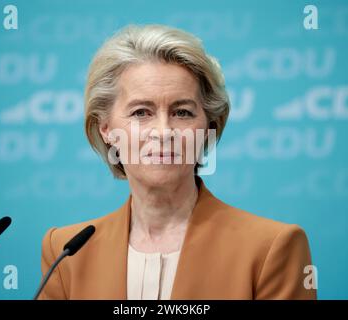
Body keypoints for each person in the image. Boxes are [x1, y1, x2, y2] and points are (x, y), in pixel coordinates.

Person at [38, 24, 317, 300]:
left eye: (182, 112)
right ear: (106, 129)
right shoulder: (66, 252)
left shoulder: (271, 247)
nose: (163, 132)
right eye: (141, 112)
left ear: (208, 127)